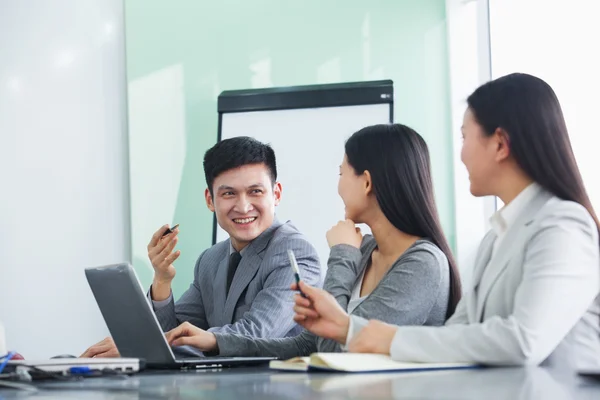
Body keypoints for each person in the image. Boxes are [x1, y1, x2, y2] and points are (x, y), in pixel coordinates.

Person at [295, 73, 600, 369]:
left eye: (465, 137)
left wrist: (385, 338)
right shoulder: (496, 237)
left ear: (500, 144)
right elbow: (456, 333)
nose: (462, 154)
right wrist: (348, 328)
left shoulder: (564, 226)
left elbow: (523, 342)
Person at [160, 123, 462, 358]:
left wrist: (342, 254)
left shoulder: (422, 263)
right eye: (229, 193)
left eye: (342, 172)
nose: (338, 184)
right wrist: (217, 342)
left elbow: (334, 346)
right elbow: (307, 344)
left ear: (366, 182)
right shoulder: (365, 249)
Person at [82, 136, 322, 358]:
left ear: (276, 194)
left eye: (255, 191)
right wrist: (162, 281)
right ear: (210, 200)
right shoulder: (211, 259)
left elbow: (256, 333)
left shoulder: (294, 251)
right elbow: (174, 333)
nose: (243, 206)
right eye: (229, 194)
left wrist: (134, 346)